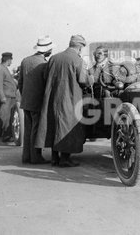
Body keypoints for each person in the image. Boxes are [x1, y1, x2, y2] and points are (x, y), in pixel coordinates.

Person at [36, 35, 93, 167]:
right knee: (68, 127)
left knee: (54, 125)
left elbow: (45, 76)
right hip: (70, 98)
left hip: (53, 97)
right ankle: (65, 159)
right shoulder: (77, 60)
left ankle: (55, 158)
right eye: (82, 48)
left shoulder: (54, 58)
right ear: (79, 47)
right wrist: (92, 78)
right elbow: (83, 80)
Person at [18, 36, 54, 164]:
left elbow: (20, 83)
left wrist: (25, 96)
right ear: (47, 50)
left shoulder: (25, 61)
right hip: (37, 102)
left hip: (26, 101)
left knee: (28, 130)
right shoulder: (44, 64)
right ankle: (35, 157)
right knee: (36, 130)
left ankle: (26, 156)